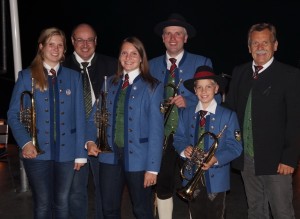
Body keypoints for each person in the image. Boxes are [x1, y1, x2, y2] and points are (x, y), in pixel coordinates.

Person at [7, 27, 86, 218]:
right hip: (36, 153)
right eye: (51, 44)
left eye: (60, 45)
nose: (56, 49)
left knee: (62, 203)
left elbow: (80, 116)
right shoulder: (26, 76)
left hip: (67, 153)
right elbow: (12, 114)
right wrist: (26, 143)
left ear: (64, 50)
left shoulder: (74, 77)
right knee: (42, 204)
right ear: (41, 47)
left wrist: (80, 154)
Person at [225, 23, 300, 219]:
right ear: (249, 47)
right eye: (255, 43)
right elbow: (230, 111)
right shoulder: (240, 72)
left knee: (282, 212)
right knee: (256, 210)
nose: (260, 47)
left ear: (275, 45)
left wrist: (289, 158)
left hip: (277, 161)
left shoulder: (290, 75)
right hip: (247, 159)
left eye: (265, 42)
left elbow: (295, 119)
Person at [86, 36, 164, 219]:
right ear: (119, 57)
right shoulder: (109, 83)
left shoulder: (153, 86)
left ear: (141, 57)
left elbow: (156, 130)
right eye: (124, 53)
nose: (128, 57)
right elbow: (93, 118)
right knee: (109, 209)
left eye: (133, 53)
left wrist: (153, 168)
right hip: (109, 157)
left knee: (141, 210)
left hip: (139, 158)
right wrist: (90, 140)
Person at [149, 13, 213, 219]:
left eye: (178, 34)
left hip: (190, 134)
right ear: (163, 38)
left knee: (194, 184)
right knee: (163, 185)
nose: (173, 38)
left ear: (186, 38)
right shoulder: (150, 65)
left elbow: (215, 99)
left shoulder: (201, 61)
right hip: (162, 137)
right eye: (168, 34)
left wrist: (191, 101)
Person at [63, 23, 117, 219]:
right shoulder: (61, 68)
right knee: (76, 193)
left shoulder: (113, 65)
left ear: (96, 41)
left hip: (104, 139)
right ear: (72, 41)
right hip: (73, 141)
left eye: (89, 40)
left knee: (106, 192)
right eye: (80, 40)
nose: (85, 45)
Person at [173, 65, 243, 219]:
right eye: (200, 87)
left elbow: (235, 146)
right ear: (195, 90)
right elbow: (178, 138)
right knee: (196, 213)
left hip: (217, 179)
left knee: (216, 214)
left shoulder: (228, 116)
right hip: (192, 176)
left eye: (208, 87)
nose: (204, 91)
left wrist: (216, 158)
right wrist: (185, 149)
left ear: (216, 88)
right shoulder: (186, 114)